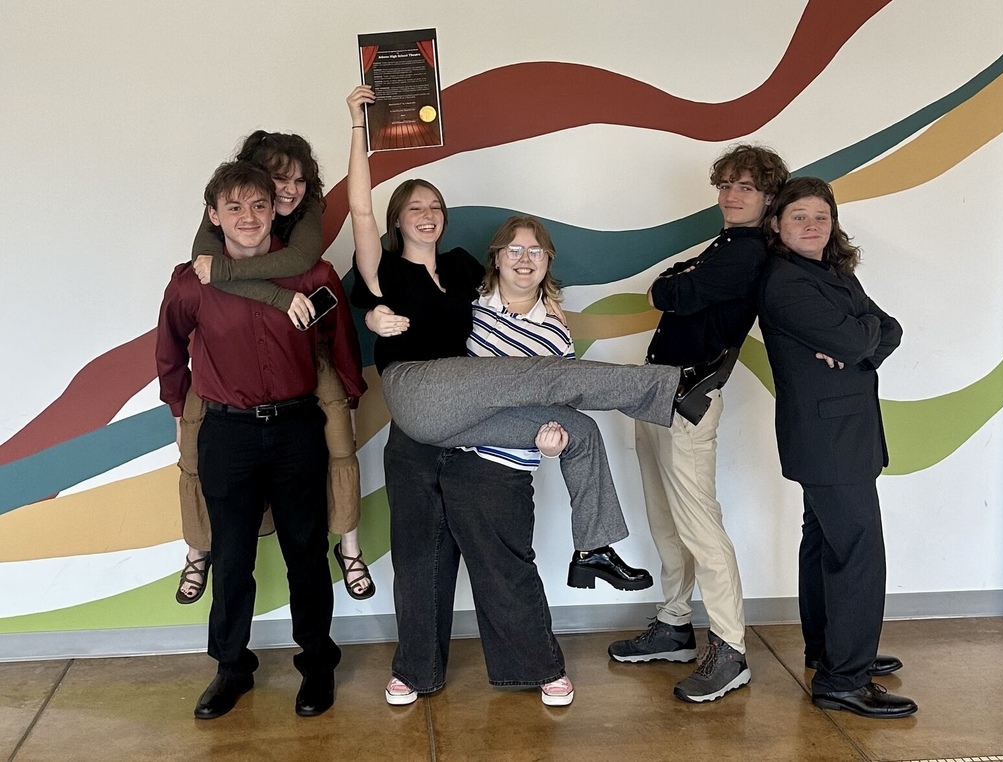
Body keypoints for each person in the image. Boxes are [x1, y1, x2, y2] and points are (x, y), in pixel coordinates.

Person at [344, 84, 724, 704]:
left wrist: (546, 427)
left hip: (470, 430)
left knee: (578, 430)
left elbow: (515, 286)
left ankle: (592, 548)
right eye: (414, 206)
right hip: (416, 406)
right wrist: (358, 128)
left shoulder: (468, 271)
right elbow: (359, 212)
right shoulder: (382, 269)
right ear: (396, 221)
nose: (427, 213)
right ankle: (670, 388)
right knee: (422, 563)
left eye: (435, 205)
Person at [156, 160, 365, 719]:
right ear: (213, 216)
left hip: (298, 429)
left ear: (275, 210)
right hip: (227, 434)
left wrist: (351, 389)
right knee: (231, 558)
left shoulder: (312, 275)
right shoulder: (189, 282)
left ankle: (317, 666)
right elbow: (170, 349)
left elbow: (337, 339)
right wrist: (180, 407)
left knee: (305, 553)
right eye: (234, 207)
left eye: (258, 206)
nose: (248, 218)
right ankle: (231, 668)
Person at [371, 215, 577, 705]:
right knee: (420, 564)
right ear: (496, 258)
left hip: (498, 465)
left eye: (535, 252)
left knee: (504, 569)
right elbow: (409, 320)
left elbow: (559, 406)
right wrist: (373, 318)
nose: (524, 259)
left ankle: (540, 666)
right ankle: (415, 670)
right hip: (427, 451)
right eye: (514, 250)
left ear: (547, 263)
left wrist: (551, 443)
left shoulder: (556, 335)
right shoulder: (467, 305)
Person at [609, 144, 788, 704]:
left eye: (746, 188)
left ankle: (730, 649)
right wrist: (677, 281)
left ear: (767, 198)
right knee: (665, 521)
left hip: (689, 399)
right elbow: (672, 289)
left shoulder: (746, 252)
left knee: (699, 528)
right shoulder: (726, 245)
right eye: (726, 185)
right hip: (657, 393)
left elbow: (670, 291)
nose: (731, 196)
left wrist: (677, 281)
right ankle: (674, 624)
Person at [175, 131, 374, 606]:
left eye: (299, 180)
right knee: (194, 452)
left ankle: (348, 546)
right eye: (278, 179)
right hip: (228, 387)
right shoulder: (219, 234)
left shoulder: (305, 224)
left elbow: (310, 276)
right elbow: (203, 276)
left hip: (301, 369)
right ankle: (198, 549)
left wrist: (350, 382)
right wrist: (274, 295)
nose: (289, 189)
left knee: (339, 443)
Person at [758, 176, 916, 718]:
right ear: (776, 224)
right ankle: (845, 679)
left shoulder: (832, 273)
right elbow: (858, 339)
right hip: (828, 438)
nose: (811, 225)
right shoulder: (784, 282)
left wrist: (855, 338)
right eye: (798, 216)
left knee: (825, 543)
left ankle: (829, 652)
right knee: (858, 551)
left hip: (841, 435)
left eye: (821, 216)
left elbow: (888, 329)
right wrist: (853, 339)